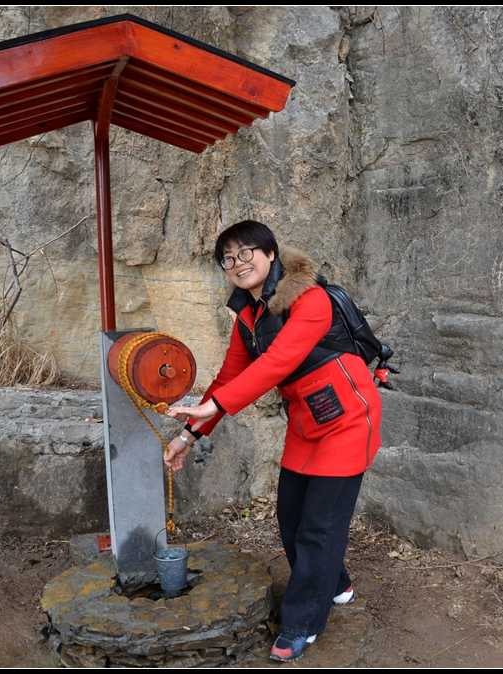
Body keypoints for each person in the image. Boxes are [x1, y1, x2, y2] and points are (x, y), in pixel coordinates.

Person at [164, 219, 382, 663]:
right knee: (291, 517)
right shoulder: (250, 315)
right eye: (228, 258)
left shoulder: (311, 298)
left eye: (246, 252)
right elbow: (231, 374)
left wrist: (215, 405)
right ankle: (335, 583)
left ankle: (303, 622)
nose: (237, 263)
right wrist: (189, 433)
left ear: (270, 254)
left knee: (320, 526)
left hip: (348, 419)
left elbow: (279, 363)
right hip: (306, 420)